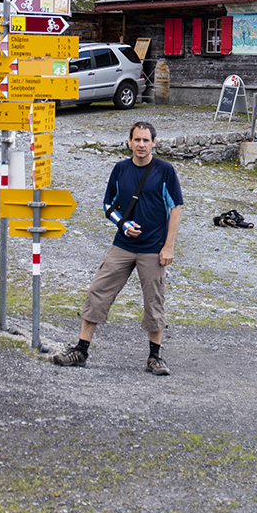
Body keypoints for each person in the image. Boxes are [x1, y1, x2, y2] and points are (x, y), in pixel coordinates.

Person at [51, 121, 183, 375]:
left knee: (154, 301)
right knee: (97, 292)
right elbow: (108, 206)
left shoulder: (165, 170)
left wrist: (168, 247)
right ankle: (81, 349)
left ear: (154, 143)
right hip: (122, 245)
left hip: (153, 248)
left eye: (146, 140)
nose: (141, 145)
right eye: (137, 140)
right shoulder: (120, 169)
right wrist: (123, 224)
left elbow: (175, 208)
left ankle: (155, 356)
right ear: (130, 142)